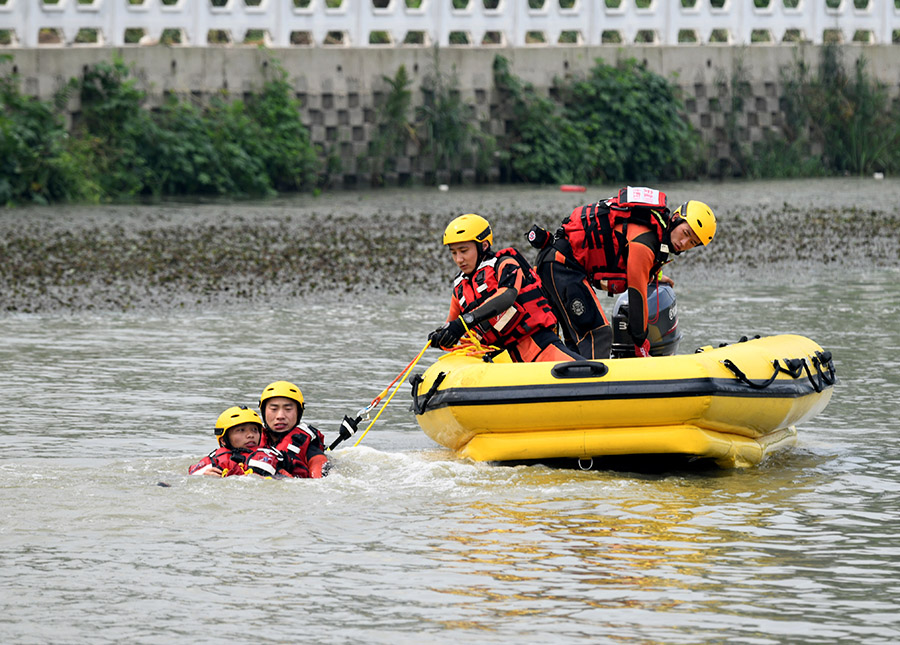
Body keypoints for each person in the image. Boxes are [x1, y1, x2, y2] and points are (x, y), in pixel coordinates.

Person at [530, 187, 716, 359]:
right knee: (598, 335)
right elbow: (636, 294)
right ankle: (595, 390)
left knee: (577, 341)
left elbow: (637, 266)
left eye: (692, 242)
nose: (684, 243)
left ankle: (572, 384)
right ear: (675, 219)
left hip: (559, 266)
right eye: (685, 233)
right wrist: (640, 343)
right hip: (562, 266)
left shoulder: (655, 234)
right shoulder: (645, 242)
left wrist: (655, 276)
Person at [428, 214, 582, 363]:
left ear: (483, 246)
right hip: (499, 360)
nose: (458, 259)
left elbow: (507, 296)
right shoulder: (460, 289)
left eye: (464, 251)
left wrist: (465, 321)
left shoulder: (505, 264)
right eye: (453, 253)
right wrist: (442, 337)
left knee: (588, 372)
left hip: (539, 347)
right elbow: (454, 327)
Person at [258, 380, 359, 478]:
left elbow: (328, 479)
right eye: (274, 409)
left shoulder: (309, 447)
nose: (280, 416)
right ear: (263, 411)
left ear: (298, 412)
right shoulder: (250, 438)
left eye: (288, 409)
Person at [188, 406, 284, 477]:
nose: (250, 435)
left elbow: (288, 480)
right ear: (223, 440)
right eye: (241, 430)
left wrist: (268, 479)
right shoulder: (214, 460)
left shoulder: (271, 457)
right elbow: (190, 477)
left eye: (254, 430)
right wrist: (205, 476)